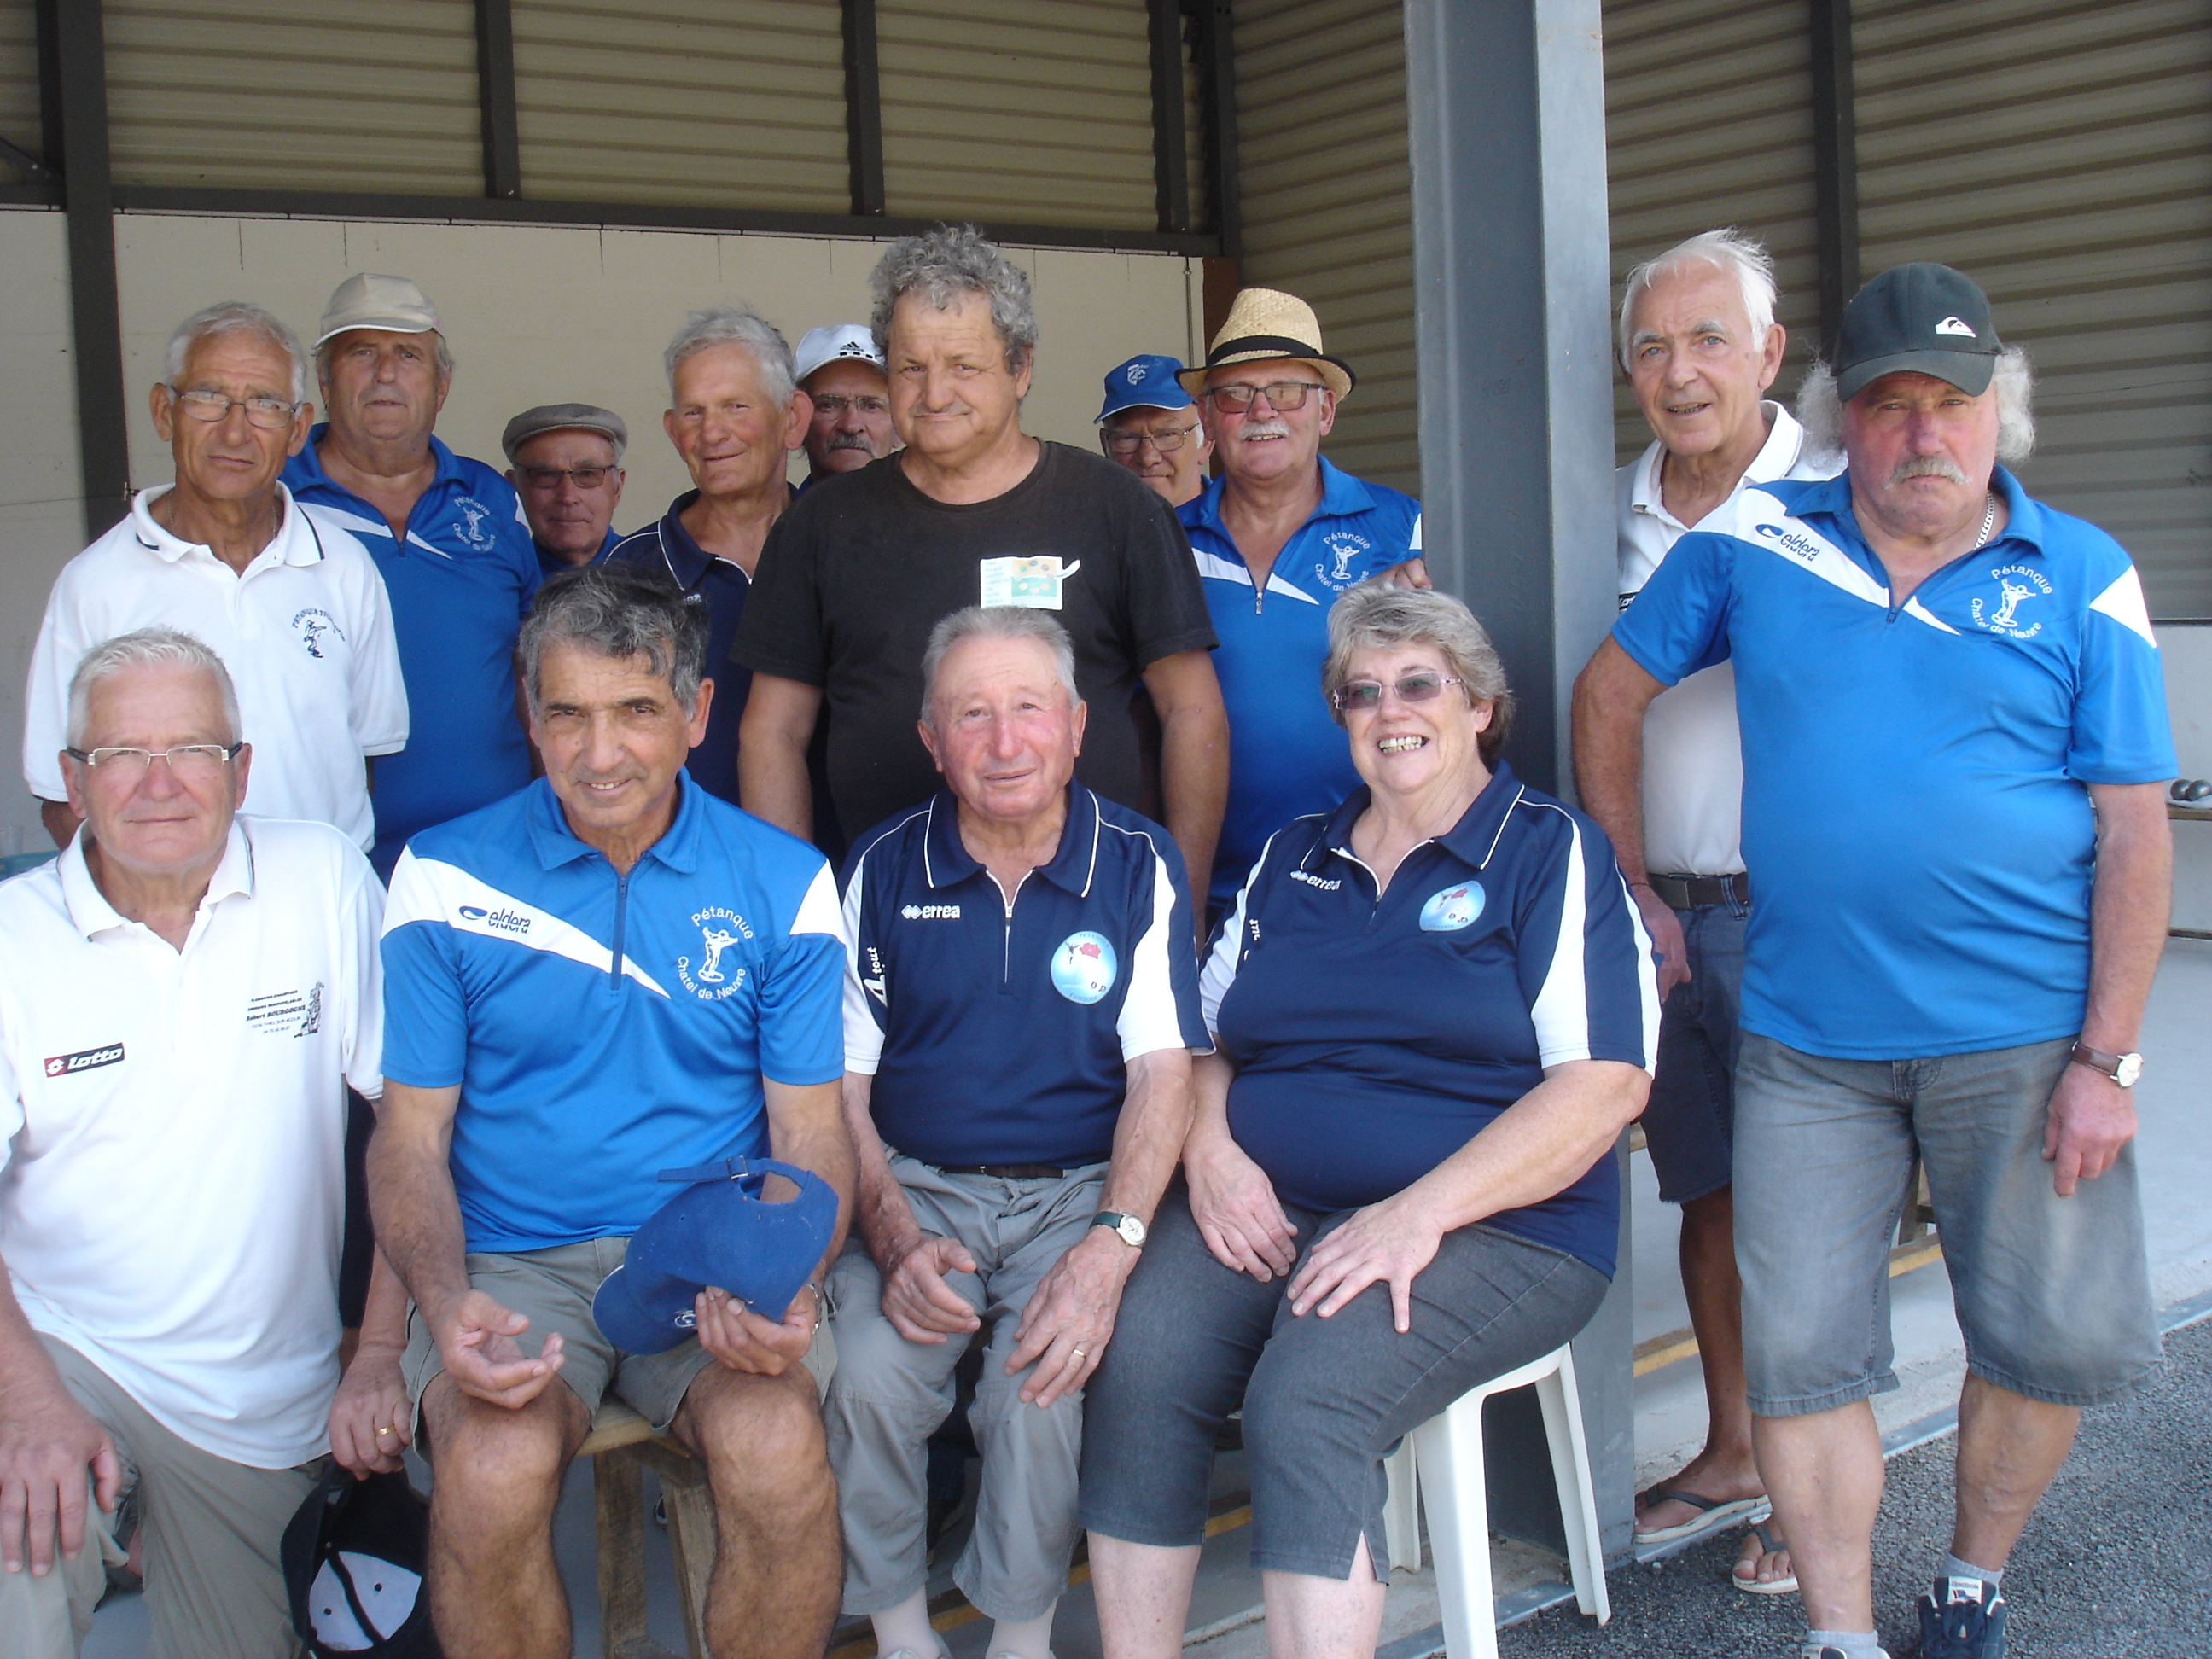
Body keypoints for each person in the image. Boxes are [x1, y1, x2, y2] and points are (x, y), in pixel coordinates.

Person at [1575, 263, 2174, 1659]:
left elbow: (2136, 836)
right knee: (1802, 1355)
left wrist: (2107, 1054)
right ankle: (1839, 1630)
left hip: (2024, 1042)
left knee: (2037, 1336)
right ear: (1843, 416)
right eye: (1888, 404)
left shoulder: (2083, 572)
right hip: (1804, 1043)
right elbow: (1610, 689)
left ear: (1995, 413)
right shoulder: (1758, 541)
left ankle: (1967, 1579)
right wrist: (1626, 884)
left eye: (1948, 404)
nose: (1920, 433)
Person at [1081, 583, 1657, 1659]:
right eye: (1361, 692)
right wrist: (1208, 1154)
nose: (1390, 709)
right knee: (1140, 1356)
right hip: (1275, 1201)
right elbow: (1202, 1045)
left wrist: (1414, 1216)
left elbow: (1605, 1088)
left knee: (1310, 1396)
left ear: (1480, 704)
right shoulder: (1291, 857)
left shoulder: (1548, 852)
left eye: (1419, 683)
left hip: (1501, 1226)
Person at [371, 565, 853, 1659]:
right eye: (569, 716)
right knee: (490, 1472)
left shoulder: (780, 878)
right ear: (530, 722)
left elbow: (811, 1129)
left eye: (636, 711)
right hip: (511, 1264)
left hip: (704, 1255)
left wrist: (792, 1280)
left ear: (694, 714)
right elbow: (409, 1139)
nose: (601, 755)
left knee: (780, 1456)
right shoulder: (445, 876)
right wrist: (444, 1309)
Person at [0, 628, 406, 1657]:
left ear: (242, 769)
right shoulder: (11, 942)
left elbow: (415, 1127)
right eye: (119, 755)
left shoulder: (320, 879)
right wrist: (29, 1401)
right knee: (18, 1549)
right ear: (70, 780)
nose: (158, 783)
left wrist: (382, 1353)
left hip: (262, 1403)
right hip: (68, 1352)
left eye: (192, 749)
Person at [828, 607, 1204, 1659]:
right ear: (931, 742)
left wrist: (1109, 1249)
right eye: (972, 715)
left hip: (1075, 1190)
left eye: (1028, 709)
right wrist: (895, 1240)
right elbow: (839, 1092)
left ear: (1077, 726)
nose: (1004, 742)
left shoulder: (1136, 861)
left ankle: (1019, 1634)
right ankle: (902, 1632)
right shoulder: (880, 868)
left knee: (1042, 1385)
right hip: (915, 1184)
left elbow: (1164, 1074)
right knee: (862, 1370)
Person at [1574, 228, 1837, 1556]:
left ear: (1772, 353)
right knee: (1712, 1195)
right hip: (1658, 911)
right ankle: (1737, 1450)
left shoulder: (1843, 503)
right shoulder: (1595, 509)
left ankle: (1814, 1486)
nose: (1679, 371)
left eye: (1710, 339)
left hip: (1802, 913)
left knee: (1814, 1202)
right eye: (1652, 346)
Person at [733, 224, 1228, 894]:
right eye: (911, 368)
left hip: (1095, 918)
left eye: (963, 365)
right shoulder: (820, 525)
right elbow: (773, 733)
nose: (934, 395)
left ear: (1020, 368)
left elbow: (1192, 713)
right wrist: (796, 920)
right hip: (885, 926)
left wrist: (1184, 903)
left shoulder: (1117, 509)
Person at [24, 301, 406, 856]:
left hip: (317, 914)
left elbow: (363, 759)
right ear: (164, 412)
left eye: (264, 405)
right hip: (166, 923)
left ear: (297, 428)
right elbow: (62, 798)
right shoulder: (96, 584)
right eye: (207, 398)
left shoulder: (344, 568)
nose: (234, 432)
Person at [1176, 288, 1427, 918]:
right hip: (1206, 889)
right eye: (1236, 394)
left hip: (1367, 885)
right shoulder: (1164, 542)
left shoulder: (1403, 529)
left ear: (1326, 411)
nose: (1262, 411)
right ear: (1208, 420)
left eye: (1286, 390)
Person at [282, 272, 541, 880]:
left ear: (442, 383)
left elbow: (533, 662)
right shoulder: (274, 500)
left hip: (495, 851)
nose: (385, 374)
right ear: (324, 380)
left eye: (407, 354)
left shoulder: (491, 498)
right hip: (329, 859)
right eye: (361, 353)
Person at [607, 308, 808, 806]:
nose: (712, 433)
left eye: (736, 406)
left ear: (792, 419)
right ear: (675, 433)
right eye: (694, 413)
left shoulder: (847, 549)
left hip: (842, 871)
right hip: (685, 869)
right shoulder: (627, 574)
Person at [503, 403, 629, 575]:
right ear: (514, 489)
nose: (568, 497)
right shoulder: (497, 580)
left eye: (587, 475)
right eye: (546, 475)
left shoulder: (657, 575)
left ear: (617, 487)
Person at [1096, 353, 1211, 508]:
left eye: (1168, 435)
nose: (1147, 458)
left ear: (1206, 442)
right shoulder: (1085, 527)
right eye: (1127, 438)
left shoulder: (1240, 527)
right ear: (1106, 446)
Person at [795, 323, 899, 488]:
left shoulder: (933, 514)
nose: (851, 426)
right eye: (829, 405)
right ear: (796, 422)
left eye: (871, 406)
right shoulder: (781, 514)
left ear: (899, 427)